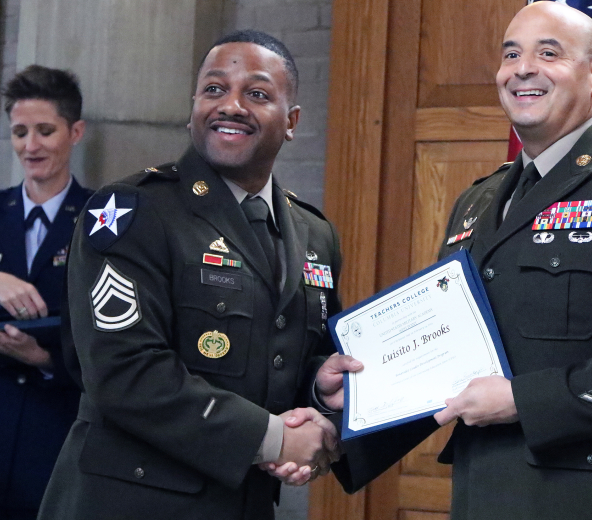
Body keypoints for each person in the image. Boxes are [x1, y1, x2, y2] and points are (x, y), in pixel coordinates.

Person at [299, 3, 592, 519]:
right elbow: (449, 366)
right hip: (485, 496)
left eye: (548, 53)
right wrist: (348, 408)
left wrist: (526, 401)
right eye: (511, 54)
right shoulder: (478, 201)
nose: (523, 68)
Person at [37, 30, 356, 520]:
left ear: (291, 122)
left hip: (240, 503)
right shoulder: (131, 211)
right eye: (214, 89)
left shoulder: (314, 234)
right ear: (193, 108)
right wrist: (276, 439)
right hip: (128, 504)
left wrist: (318, 386)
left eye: (256, 93)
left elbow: (280, 358)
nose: (230, 105)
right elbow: (125, 373)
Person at [0, 65, 92, 520]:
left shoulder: (102, 225)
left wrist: (43, 359)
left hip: (54, 433)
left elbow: (110, 331)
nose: (31, 146)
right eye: (20, 132)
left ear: (75, 132)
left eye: (45, 131)